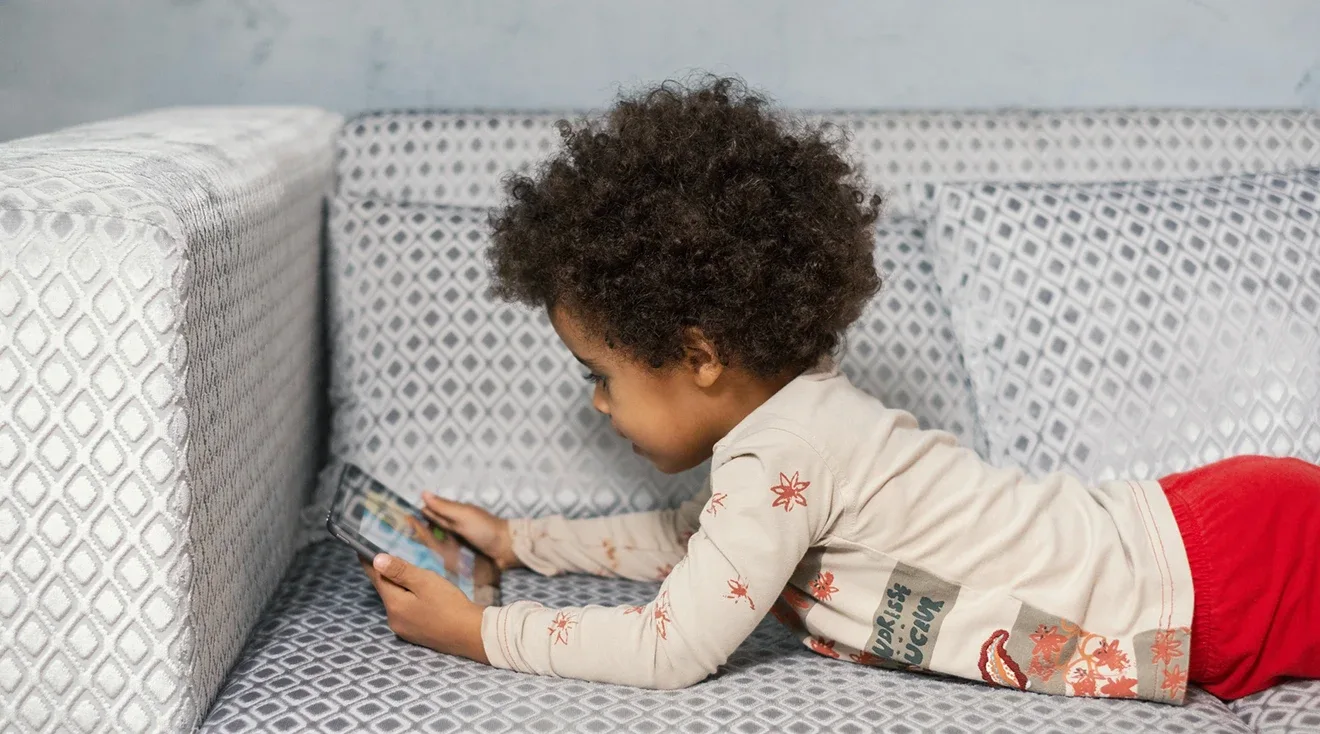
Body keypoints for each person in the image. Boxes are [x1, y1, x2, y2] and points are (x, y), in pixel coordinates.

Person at [358, 75, 1320, 703]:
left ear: (698, 355)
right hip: (1202, 545)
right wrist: (521, 543)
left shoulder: (788, 452)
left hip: (1217, 572)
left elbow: (671, 646)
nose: (598, 405)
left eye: (602, 376)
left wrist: (484, 632)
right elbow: (688, 545)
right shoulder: (785, 440)